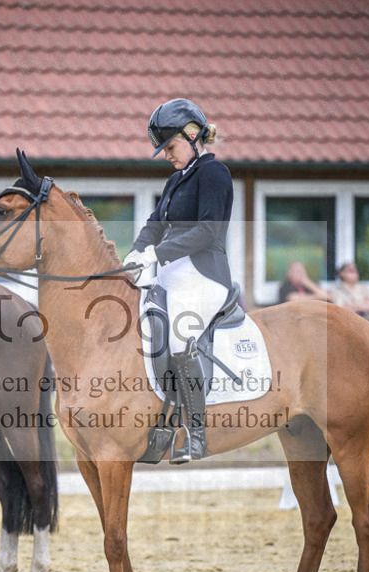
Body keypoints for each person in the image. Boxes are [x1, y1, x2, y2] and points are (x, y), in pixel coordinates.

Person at [122, 98, 233, 465]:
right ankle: (161, 425)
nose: (167, 154)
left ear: (192, 134)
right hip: (170, 273)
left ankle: (196, 435)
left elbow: (207, 231)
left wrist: (158, 254)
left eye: (170, 146)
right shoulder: (175, 180)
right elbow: (154, 226)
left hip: (204, 273)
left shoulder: (214, 174)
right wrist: (137, 252)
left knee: (179, 337)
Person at [332, 261, 369, 326]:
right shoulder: (337, 290)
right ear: (341, 273)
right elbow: (340, 310)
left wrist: (352, 306)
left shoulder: (362, 287)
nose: (354, 272)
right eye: (350, 270)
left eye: (355, 270)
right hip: (349, 325)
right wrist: (362, 305)